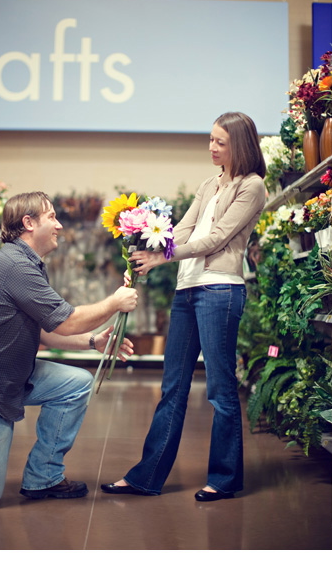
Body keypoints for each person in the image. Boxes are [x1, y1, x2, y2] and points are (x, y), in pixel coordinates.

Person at [0, 192, 138, 509]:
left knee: (76, 383)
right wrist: (115, 301)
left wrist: (93, 342)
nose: (60, 225)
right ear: (28, 223)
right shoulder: (13, 266)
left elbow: (42, 330)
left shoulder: (27, 264)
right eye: (52, 217)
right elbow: (66, 322)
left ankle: (44, 477)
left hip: (12, 378)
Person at [101, 111, 267, 501]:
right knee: (172, 386)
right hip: (188, 289)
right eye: (210, 139)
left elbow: (219, 238)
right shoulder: (209, 184)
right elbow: (185, 230)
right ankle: (146, 476)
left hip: (220, 290)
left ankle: (226, 479)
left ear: (239, 145)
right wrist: (146, 254)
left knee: (220, 389)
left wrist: (166, 256)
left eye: (220, 142)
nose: (212, 147)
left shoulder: (253, 186)